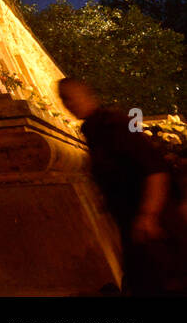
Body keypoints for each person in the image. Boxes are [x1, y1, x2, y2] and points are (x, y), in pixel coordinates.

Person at [58, 78, 187, 295]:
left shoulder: (113, 124)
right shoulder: (93, 129)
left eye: (70, 97)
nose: (68, 104)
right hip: (135, 226)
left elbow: (155, 169)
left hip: (155, 225)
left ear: (86, 95)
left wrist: (149, 215)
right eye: (63, 100)